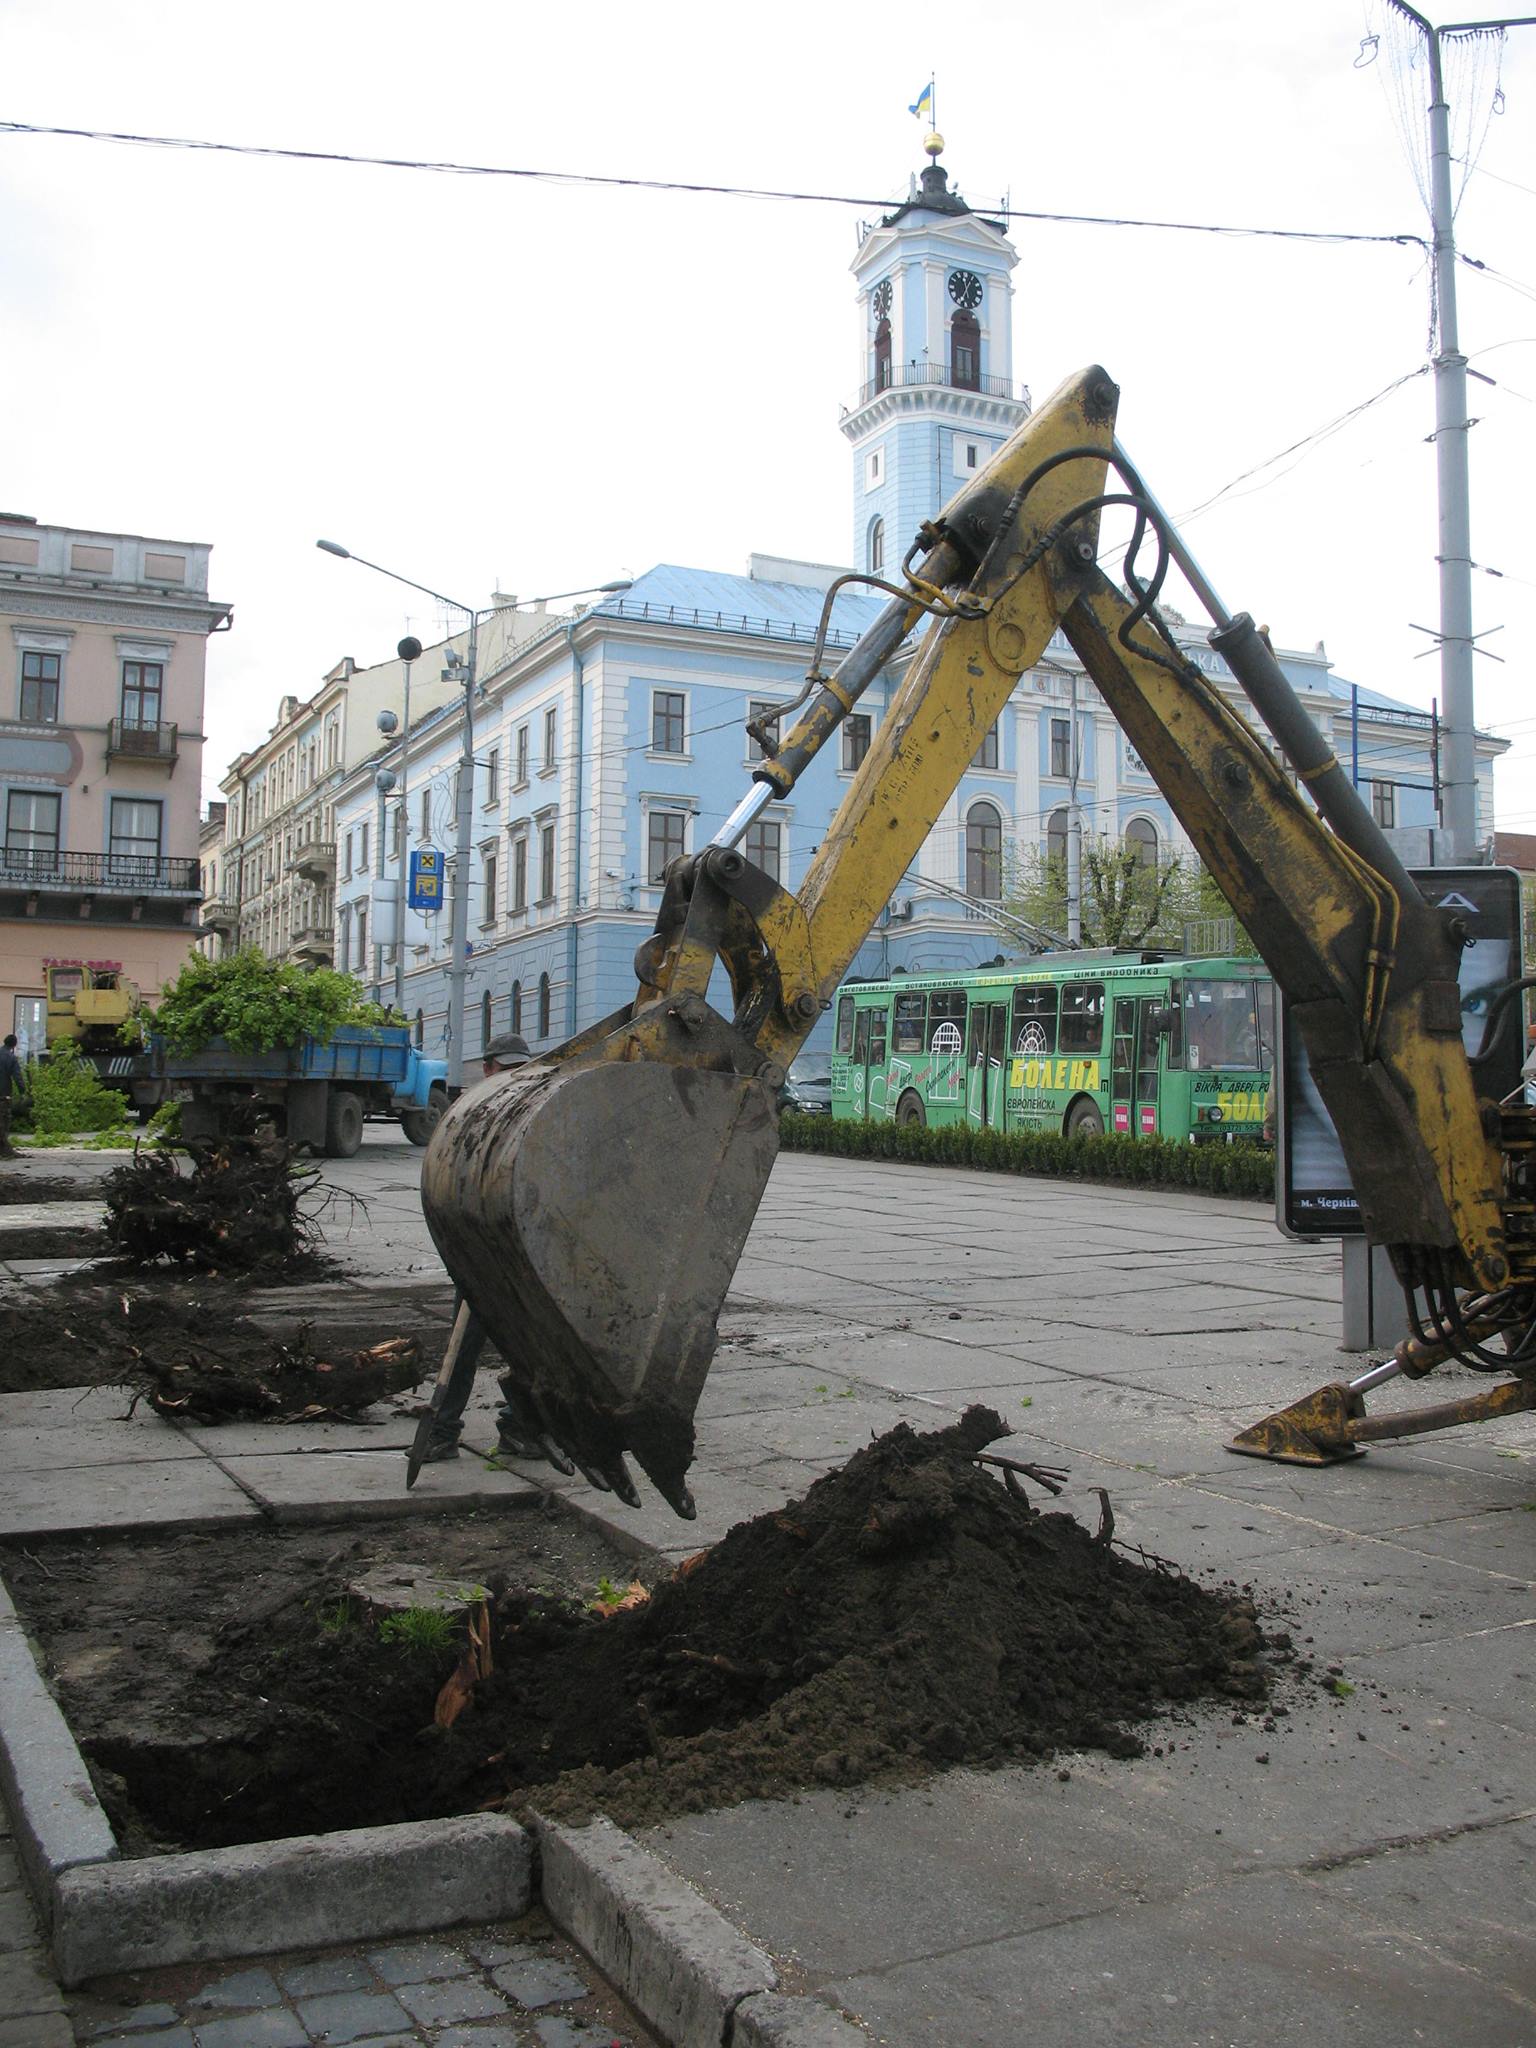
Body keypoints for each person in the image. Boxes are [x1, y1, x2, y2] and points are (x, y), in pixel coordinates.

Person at [417, 1027, 544, 1464]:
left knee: (527, 1347)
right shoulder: (470, 1114)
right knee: (464, 1344)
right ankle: (443, 1430)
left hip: (515, 1249)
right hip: (475, 1247)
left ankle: (518, 1427)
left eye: (517, 1069)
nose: (511, 1076)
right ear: (488, 1068)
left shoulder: (527, 1108)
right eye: (504, 1068)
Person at [0, 1034, 27, 1160]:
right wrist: (23, 1092)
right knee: (4, 1122)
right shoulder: (11, 1058)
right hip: (3, 1095)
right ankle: (4, 1150)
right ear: (14, 1045)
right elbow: (17, 1077)